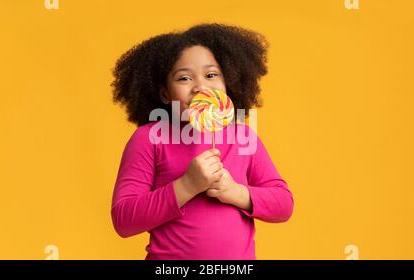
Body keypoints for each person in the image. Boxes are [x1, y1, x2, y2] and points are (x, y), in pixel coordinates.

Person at [110, 23, 294, 260]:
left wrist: (235, 192)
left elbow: (283, 204)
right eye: (184, 78)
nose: (200, 86)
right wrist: (187, 185)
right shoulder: (149, 138)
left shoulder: (243, 137)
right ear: (165, 93)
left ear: (228, 82)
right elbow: (124, 220)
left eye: (211, 75)